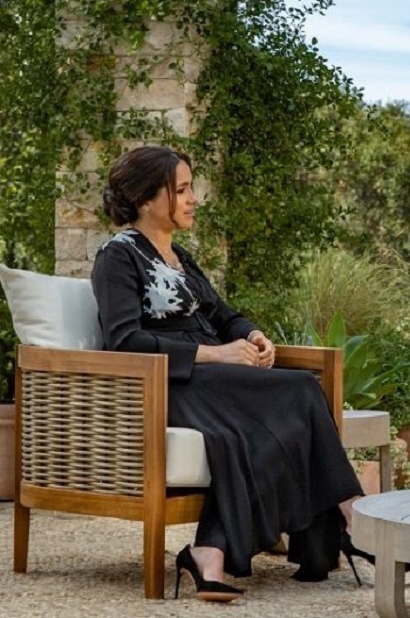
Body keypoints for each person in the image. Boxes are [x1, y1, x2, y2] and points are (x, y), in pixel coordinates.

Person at [91, 146, 371, 601]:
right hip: (170, 383)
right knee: (301, 389)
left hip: (212, 378)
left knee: (264, 430)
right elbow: (124, 341)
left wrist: (254, 335)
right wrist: (217, 355)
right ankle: (355, 520)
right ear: (145, 199)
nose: (194, 199)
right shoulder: (117, 257)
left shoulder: (181, 257)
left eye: (191, 188)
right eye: (182, 190)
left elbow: (223, 315)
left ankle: (209, 551)